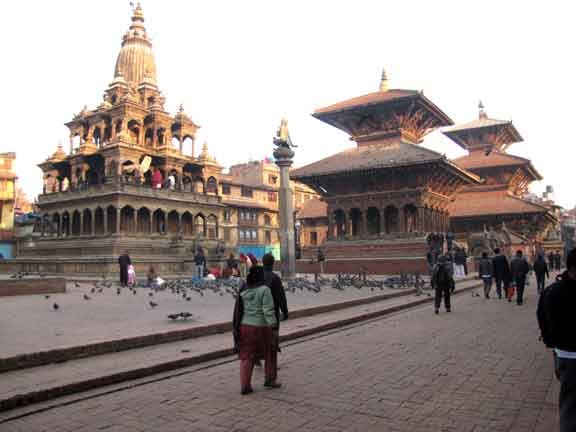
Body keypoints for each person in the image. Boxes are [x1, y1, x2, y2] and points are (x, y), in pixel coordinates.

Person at [537, 248, 576, 432]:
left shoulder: (552, 291)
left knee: (569, 403)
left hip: (564, 355)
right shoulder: (553, 291)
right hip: (567, 354)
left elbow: (542, 318)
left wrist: (550, 341)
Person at [233, 265, 280, 395]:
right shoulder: (265, 289)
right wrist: (274, 327)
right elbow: (268, 311)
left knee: (246, 357)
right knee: (270, 352)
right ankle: (270, 379)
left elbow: (238, 310)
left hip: (245, 326)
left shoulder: (243, 289)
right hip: (261, 327)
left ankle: (245, 385)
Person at [262, 253, 289, 382]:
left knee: (260, 339)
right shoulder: (275, 278)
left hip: (258, 314)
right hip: (272, 315)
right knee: (272, 343)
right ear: (273, 264)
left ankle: (256, 360)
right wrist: (285, 311)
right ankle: (270, 374)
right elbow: (280, 297)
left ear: (263, 262)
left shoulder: (256, 276)